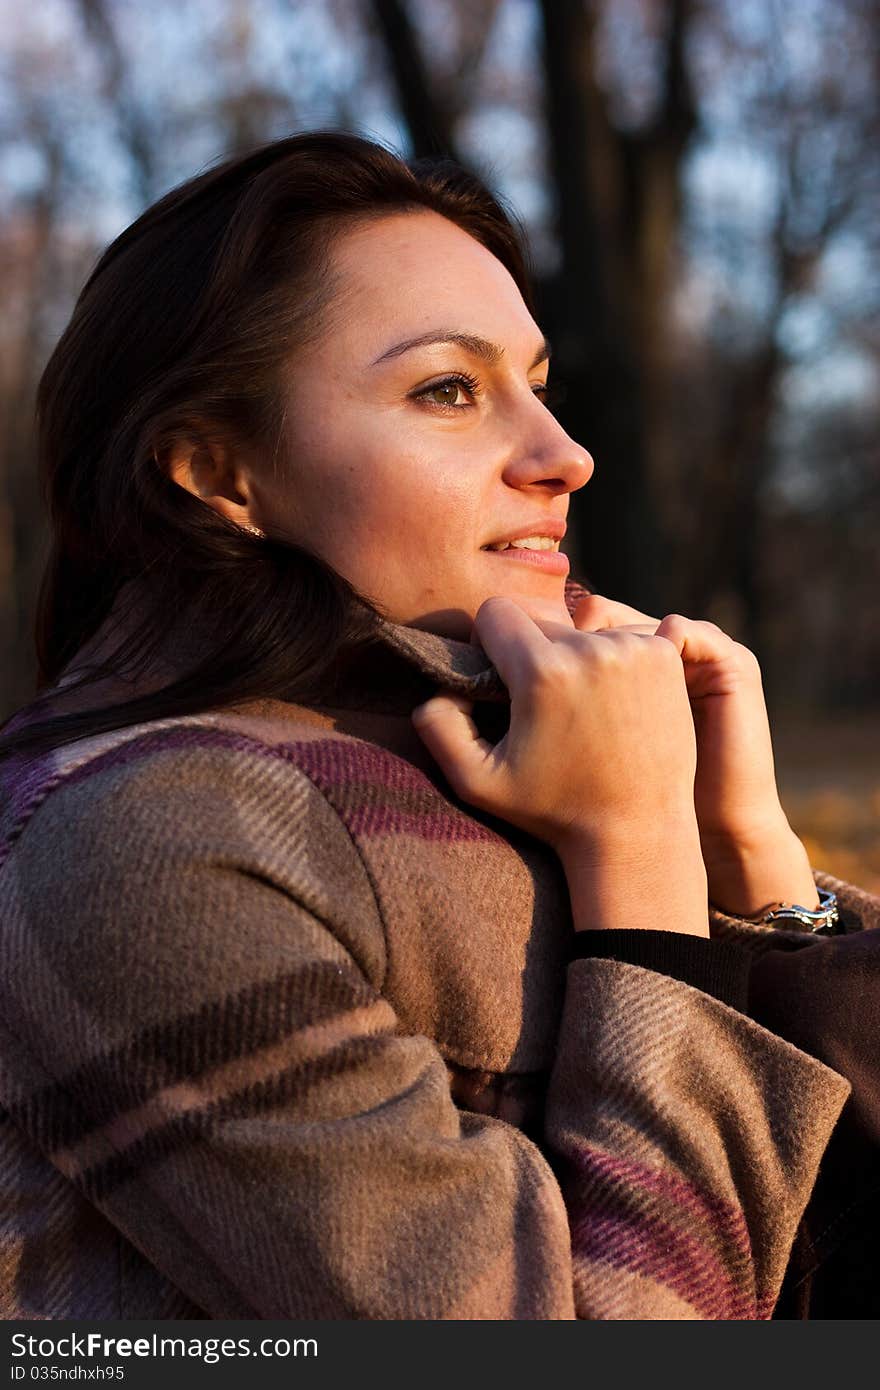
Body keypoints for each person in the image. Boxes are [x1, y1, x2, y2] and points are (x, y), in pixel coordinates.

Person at [0, 130, 877, 1322]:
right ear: (216, 470)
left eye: (537, 383)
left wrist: (753, 871)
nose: (562, 455)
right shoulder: (147, 841)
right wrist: (641, 867)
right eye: (448, 390)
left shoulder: (500, 762)